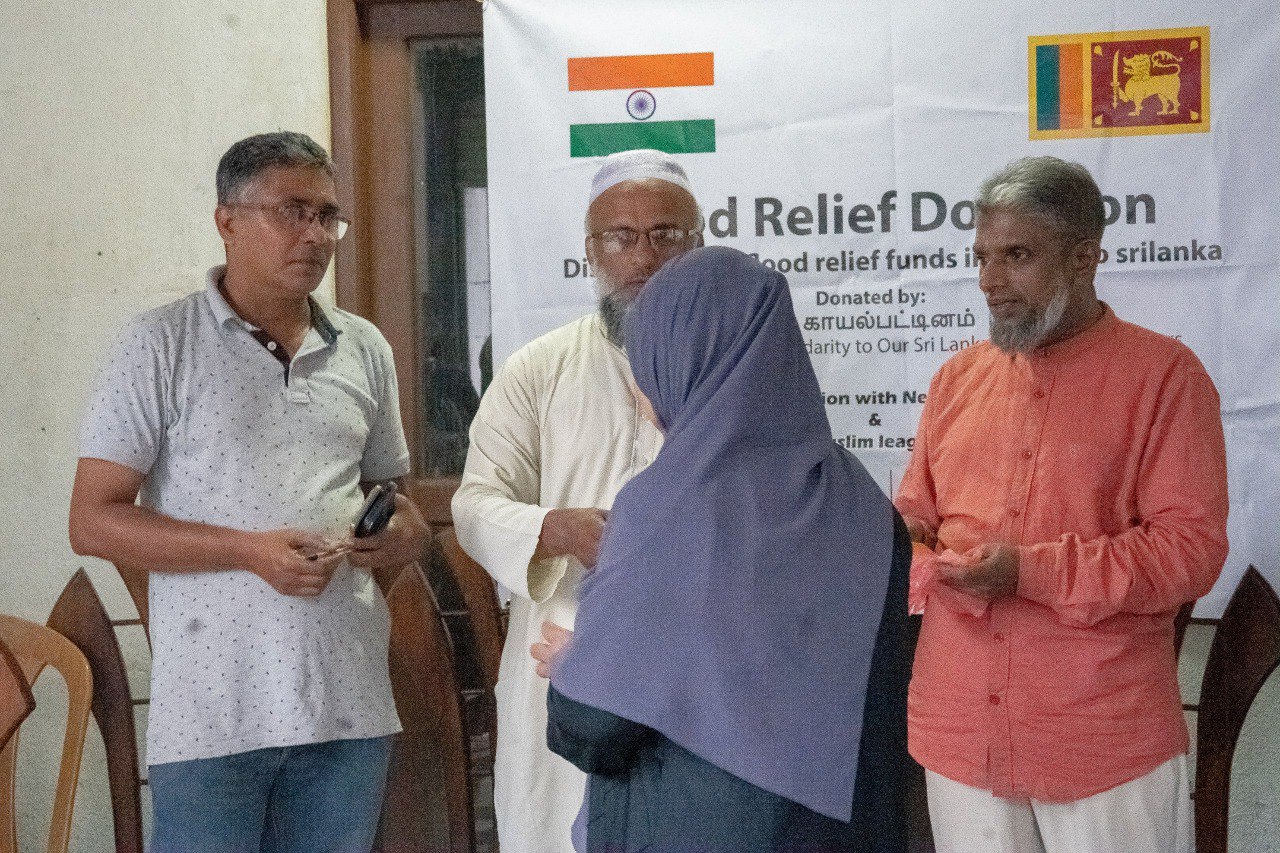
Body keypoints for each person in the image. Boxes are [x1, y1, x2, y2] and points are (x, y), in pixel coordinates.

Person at [69, 131, 429, 852]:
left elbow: (395, 499)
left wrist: (400, 534)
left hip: (347, 700)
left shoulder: (363, 347)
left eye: (327, 215)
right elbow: (93, 521)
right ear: (226, 220)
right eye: (291, 211)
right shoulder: (160, 344)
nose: (315, 234)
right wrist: (248, 551)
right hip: (213, 711)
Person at [895, 156, 1228, 853]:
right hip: (961, 732)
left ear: (1084, 257)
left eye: (1017, 255)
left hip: (1101, 740)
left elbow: (1190, 552)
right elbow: (917, 512)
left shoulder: (1165, 376)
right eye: (982, 256)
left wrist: (1029, 572)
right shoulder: (956, 378)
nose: (989, 280)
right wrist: (906, 539)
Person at [533, 246, 912, 852]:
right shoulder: (866, 505)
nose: (640, 387)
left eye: (647, 359)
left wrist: (578, 663)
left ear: (685, 361)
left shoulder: (666, 511)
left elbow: (595, 725)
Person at [451, 149, 703, 852]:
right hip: (561, 651)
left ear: (698, 243)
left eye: (665, 234)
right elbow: (474, 504)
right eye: (621, 237)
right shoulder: (538, 369)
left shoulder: (735, 367)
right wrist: (556, 530)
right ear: (591, 250)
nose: (644, 256)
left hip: (696, 662)